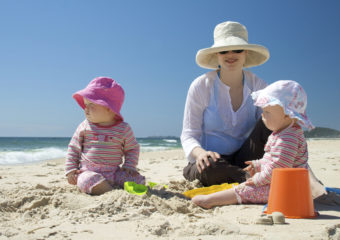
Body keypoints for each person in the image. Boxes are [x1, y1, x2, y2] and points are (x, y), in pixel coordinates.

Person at [192, 80, 314, 208]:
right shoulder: (283, 132)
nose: (262, 116)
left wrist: (257, 180)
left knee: (246, 190)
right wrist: (258, 164)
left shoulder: (288, 138)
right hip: (286, 184)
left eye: (267, 112)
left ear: (287, 115)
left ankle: (210, 201)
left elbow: (279, 167)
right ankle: (214, 198)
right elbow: (272, 159)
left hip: (288, 190)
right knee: (247, 186)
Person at [181, 21, 272, 186]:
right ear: (217, 55)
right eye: (223, 50)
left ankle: (296, 174)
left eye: (237, 49)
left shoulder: (258, 85)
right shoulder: (201, 86)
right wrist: (201, 153)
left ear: (245, 53)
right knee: (210, 167)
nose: (230, 54)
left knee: (272, 120)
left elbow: (272, 128)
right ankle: (251, 178)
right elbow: (189, 135)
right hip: (213, 161)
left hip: (247, 158)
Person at [65, 77, 145, 195]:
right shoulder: (84, 126)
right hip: (89, 172)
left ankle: (109, 188)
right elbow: (73, 148)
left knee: (138, 180)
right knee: (85, 180)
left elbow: (132, 148)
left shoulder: (123, 128)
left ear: (109, 107)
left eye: (91, 104)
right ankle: (110, 192)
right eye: (85, 104)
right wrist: (71, 170)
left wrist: (129, 165)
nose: (85, 109)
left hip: (114, 173)